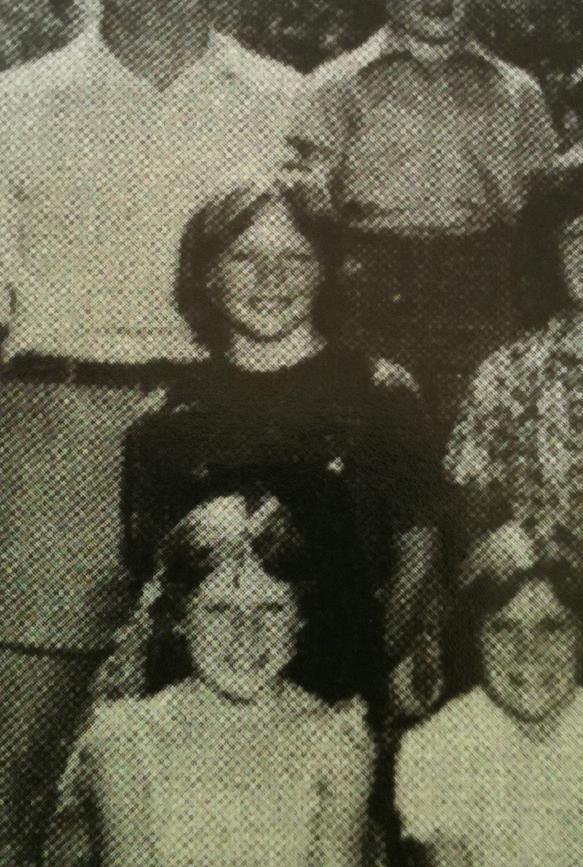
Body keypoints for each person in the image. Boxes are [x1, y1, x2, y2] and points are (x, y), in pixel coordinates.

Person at [0, 1, 301, 860]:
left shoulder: (286, 100)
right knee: (21, 741)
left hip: (233, 421)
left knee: (244, 728)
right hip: (55, 434)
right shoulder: (16, 102)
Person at [123, 179, 442, 718]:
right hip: (201, 704)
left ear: (328, 271)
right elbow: (152, 581)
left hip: (334, 696)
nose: (271, 278)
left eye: (295, 257)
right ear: (206, 274)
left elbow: (419, 550)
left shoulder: (381, 393)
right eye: (244, 256)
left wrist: (361, 676)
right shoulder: (165, 418)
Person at [44, 493, 373, 867]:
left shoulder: (337, 741)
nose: (245, 635)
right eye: (218, 610)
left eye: (271, 608)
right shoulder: (125, 740)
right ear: (181, 616)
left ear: (300, 616)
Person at [286, 0, 558, 432]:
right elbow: (307, 208)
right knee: (371, 433)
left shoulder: (517, 91)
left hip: (482, 285)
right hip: (370, 286)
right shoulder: (336, 85)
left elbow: (541, 211)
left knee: (483, 426)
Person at [445, 153, 583, 719]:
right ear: (549, 251)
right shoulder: (509, 374)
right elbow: (473, 526)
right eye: (580, 237)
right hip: (553, 646)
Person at [395, 523, 583, 867]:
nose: (528, 652)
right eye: (503, 628)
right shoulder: (437, 746)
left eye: (552, 628)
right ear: (476, 640)